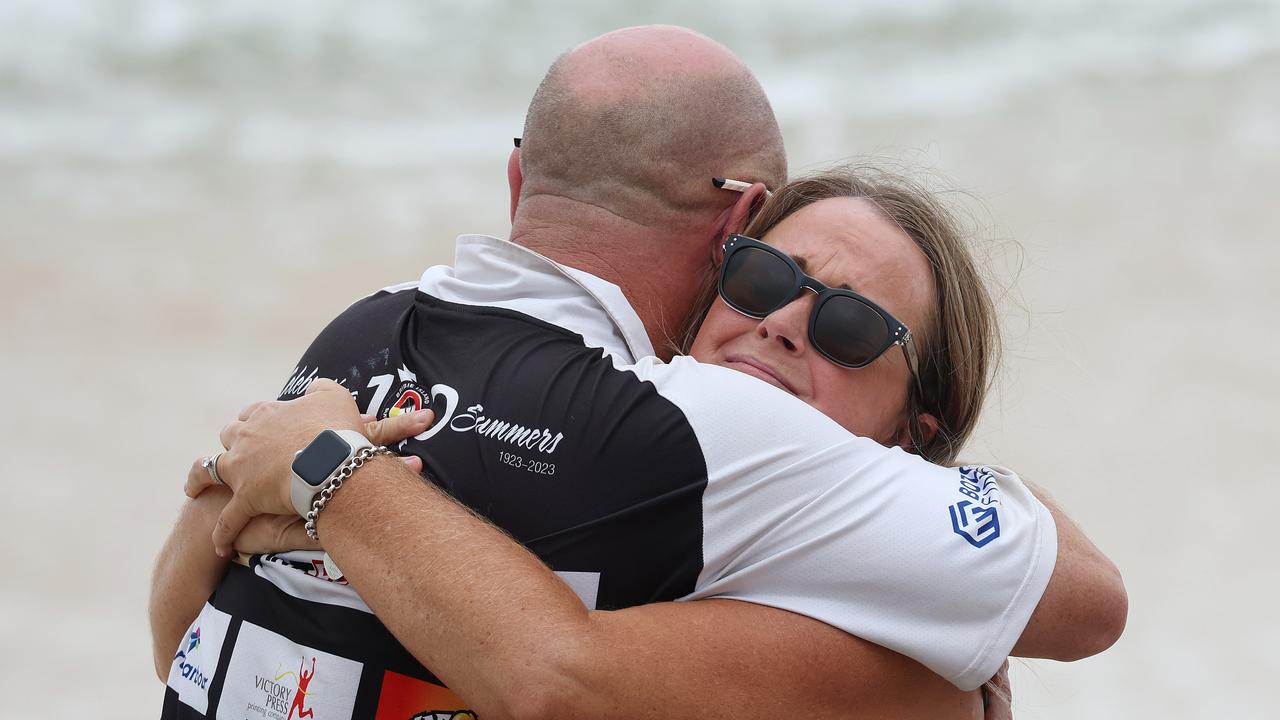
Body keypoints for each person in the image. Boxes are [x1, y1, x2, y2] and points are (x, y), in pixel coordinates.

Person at [153, 26, 1125, 720]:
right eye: (763, 278)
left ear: (518, 182)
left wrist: (313, 472)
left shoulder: (359, 337)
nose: (785, 323)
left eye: (850, 326)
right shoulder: (675, 438)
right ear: (731, 237)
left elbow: (548, 674)